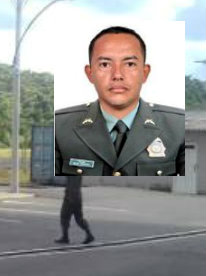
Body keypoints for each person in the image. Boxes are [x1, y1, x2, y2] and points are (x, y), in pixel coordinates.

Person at [55, 26, 185, 176]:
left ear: (145, 72)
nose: (117, 75)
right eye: (105, 64)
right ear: (90, 73)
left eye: (129, 64)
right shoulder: (59, 128)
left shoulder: (179, 128)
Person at [55, 176, 95, 245]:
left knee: (64, 217)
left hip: (71, 197)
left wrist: (71, 198)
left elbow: (73, 185)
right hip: (75, 196)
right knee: (78, 219)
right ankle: (89, 234)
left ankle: (65, 237)